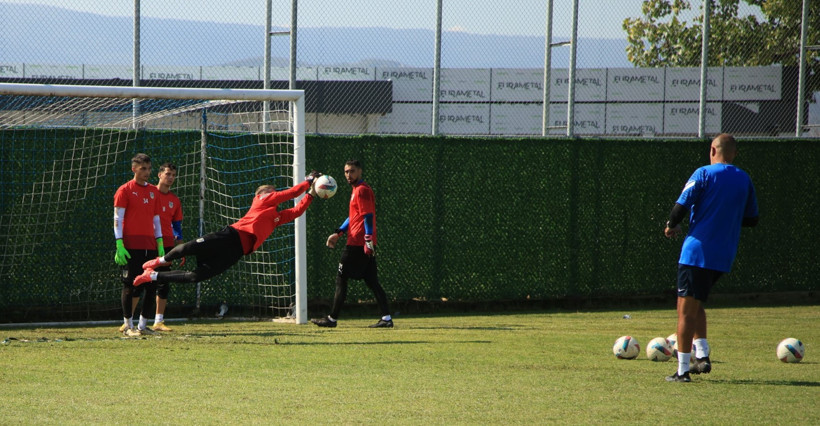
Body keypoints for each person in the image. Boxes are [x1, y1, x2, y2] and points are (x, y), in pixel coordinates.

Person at [663, 133, 759, 382]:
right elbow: (752, 219)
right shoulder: (744, 178)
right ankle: (702, 355)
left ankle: (683, 371)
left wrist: (671, 225)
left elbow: (680, 207)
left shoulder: (703, 173)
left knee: (684, 311)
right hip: (723, 255)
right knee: (695, 303)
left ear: (712, 150)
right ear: (734, 154)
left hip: (696, 253)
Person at [133, 171, 322, 287]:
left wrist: (312, 193)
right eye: (271, 191)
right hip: (230, 235)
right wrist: (309, 180)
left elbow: (296, 211)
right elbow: (292, 193)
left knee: (196, 277)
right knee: (189, 247)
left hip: (238, 250)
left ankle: (152, 276)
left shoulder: (275, 217)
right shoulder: (262, 200)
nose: (274, 193)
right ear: (261, 194)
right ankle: (158, 261)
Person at [312, 159, 393, 328]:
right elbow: (353, 216)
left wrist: (368, 239)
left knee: (341, 278)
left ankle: (332, 319)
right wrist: (339, 232)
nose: (349, 175)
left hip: (357, 243)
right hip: (359, 242)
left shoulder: (362, 190)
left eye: (352, 171)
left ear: (360, 171)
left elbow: (368, 216)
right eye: (346, 171)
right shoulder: (356, 190)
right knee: (372, 281)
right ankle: (386, 318)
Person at [114, 153, 165, 337]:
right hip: (131, 246)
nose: (147, 172)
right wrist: (119, 243)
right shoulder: (124, 190)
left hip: (149, 246)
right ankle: (128, 325)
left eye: (149, 169)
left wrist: (159, 242)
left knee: (151, 285)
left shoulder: (153, 191)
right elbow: (117, 219)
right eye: (143, 168)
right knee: (130, 285)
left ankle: (143, 326)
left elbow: (156, 219)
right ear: (134, 169)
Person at [151, 163, 184, 332]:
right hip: (148, 243)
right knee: (142, 280)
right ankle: (130, 321)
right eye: (168, 174)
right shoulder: (149, 194)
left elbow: (177, 226)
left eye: (173, 175)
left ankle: (158, 321)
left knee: (163, 281)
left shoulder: (174, 200)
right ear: (159, 175)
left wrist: (181, 249)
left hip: (167, 245)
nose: (171, 178)